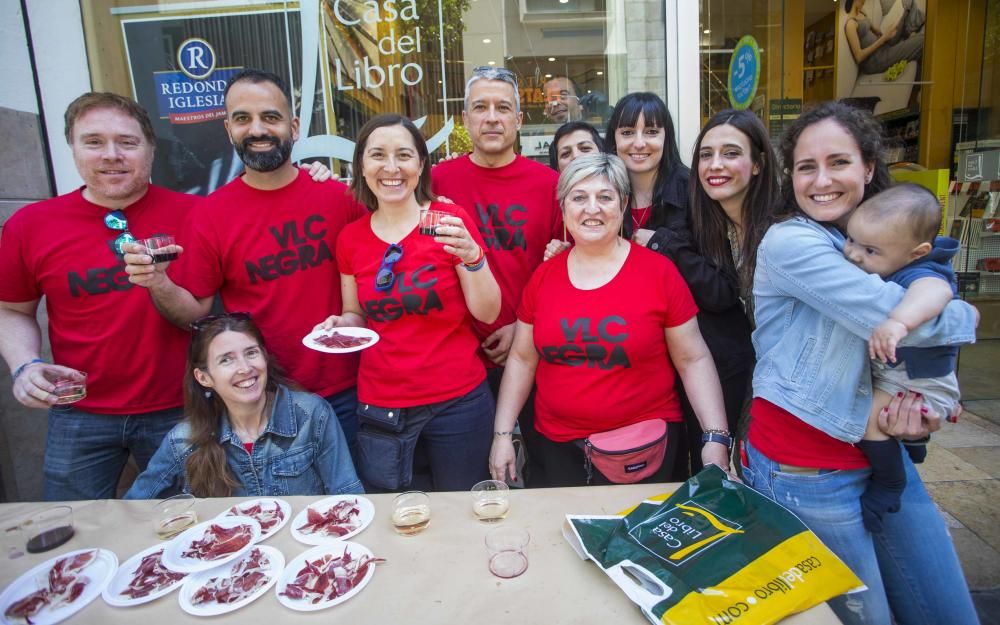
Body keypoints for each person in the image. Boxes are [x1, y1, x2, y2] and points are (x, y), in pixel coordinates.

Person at [744, 100, 979, 624]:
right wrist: (965, 314)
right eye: (807, 166)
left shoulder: (884, 241)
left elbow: (909, 337)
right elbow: (904, 317)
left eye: (839, 162)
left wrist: (919, 409)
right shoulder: (792, 241)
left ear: (868, 168)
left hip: (877, 451)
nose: (821, 180)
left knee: (946, 612)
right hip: (806, 464)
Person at [123, 69, 365, 457]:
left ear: (294, 126)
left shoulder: (339, 197)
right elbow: (193, 312)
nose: (257, 129)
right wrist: (158, 281)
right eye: (242, 119)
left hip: (354, 391)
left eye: (270, 117)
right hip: (265, 400)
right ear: (228, 129)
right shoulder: (211, 215)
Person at [489, 153, 731, 487]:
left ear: (623, 204)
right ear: (563, 208)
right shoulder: (543, 277)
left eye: (605, 197)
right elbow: (521, 358)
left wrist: (715, 437)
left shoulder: (658, 273)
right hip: (557, 451)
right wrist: (502, 434)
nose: (592, 209)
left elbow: (693, 359)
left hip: (643, 453)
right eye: (579, 197)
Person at [0, 92, 193, 500]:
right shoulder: (31, 225)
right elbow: (12, 310)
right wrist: (24, 365)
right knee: (72, 533)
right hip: (78, 413)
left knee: (187, 531)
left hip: (182, 409)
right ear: (72, 147)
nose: (112, 155)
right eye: (93, 142)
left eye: (127, 142)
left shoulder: (196, 214)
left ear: (151, 150)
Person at [318, 114, 501, 492]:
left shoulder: (448, 220)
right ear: (362, 167)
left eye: (403, 155)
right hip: (382, 408)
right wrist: (340, 326)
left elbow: (488, 312)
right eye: (377, 155)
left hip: (459, 403)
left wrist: (474, 258)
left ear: (420, 165)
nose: (391, 168)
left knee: (463, 516)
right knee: (398, 521)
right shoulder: (350, 239)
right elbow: (357, 314)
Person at [608, 94, 751, 478]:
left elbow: (722, 290)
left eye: (651, 132)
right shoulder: (606, 196)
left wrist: (663, 244)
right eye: (627, 132)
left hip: (712, 353)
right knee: (662, 472)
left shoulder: (695, 191)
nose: (639, 143)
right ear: (614, 138)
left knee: (712, 469)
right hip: (649, 362)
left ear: (666, 137)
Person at [432, 66, 563, 485]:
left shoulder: (551, 185)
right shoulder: (435, 182)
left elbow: (563, 272)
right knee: (475, 479)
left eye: (503, 108)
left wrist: (521, 330)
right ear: (465, 119)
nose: (492, 117)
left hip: (534, 352)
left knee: (542, 469)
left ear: (519, 120)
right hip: (460, 358)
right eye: (480, 108)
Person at [126, 313, 361, 498]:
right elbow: (134, 510)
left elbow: (349, 496)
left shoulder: (311, 414)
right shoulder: (184, 440)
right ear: (203, 378)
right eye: (226, 360)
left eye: (251, 353)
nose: (245, 368)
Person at [843, 182, 962, 532]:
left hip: (918, 381)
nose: (853, 255)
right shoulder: (887, 262)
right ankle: (910, 449)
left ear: (916, 251)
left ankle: (890, 482)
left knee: (867, 420)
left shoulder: (921, 271)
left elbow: (936, 291)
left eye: (870, 250)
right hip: (901, 375)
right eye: (851, 240)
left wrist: (898, 321)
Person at [844, 0, 924, 75]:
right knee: (921, 40)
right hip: (877, 60)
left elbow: (875, 30)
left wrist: (887, 31)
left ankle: (910, 32)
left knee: (908, 2)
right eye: (862, 0)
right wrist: (883, 39)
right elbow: (859, 57)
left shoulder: (861, 11)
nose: (864, 2)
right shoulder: (850, 24)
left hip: (883, 44)